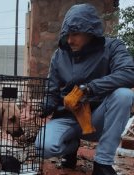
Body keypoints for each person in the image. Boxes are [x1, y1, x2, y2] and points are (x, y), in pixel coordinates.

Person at [21, 3, 134, 175]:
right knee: (44, 147)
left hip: (97, 118)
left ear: (91, 33)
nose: (69, 40)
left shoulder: (112, 47)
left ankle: (102, 164)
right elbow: (51, 94)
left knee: (124, 95)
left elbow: (128, 72)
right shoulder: (59, 55)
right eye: (67, 34)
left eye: (75, 34)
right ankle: (71, 147)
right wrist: (38, 108)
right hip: (67, 117)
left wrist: (88, 89)